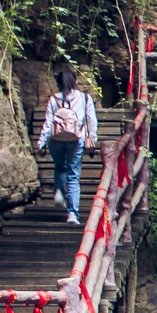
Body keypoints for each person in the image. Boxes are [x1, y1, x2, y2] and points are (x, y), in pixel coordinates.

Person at [37, 68, 98, 225]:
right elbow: (91, 120)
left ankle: (59, 190)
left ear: (58, 83)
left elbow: (48, 122)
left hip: (55, 139)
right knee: (73, 175)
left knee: (60, 166)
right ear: (75, 81)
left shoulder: (54, 99)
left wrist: (41, 143)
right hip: (76, 139)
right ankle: (72, 214)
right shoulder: (84, 98)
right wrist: (92, 139)